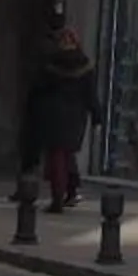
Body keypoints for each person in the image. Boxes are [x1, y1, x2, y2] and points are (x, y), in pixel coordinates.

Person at [25, 28, 99, 211]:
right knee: (67, 153)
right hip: (76, 116)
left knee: (56, 156)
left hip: (53, 114)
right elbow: (90, 94)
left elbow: (38, 88)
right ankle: (70, 191)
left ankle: (58, 197)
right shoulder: (85, 65)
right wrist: (97, 115)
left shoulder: (51, 64)